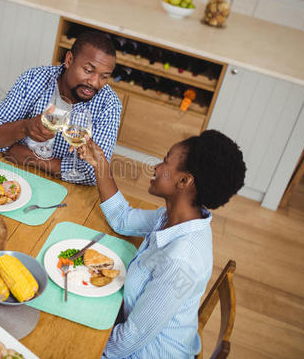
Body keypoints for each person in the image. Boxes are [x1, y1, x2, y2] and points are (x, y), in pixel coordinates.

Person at [77, 130, 246, 358]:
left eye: (166, 161)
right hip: (133, 324)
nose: (156, 167)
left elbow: (129, 339)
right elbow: (122, 219)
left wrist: (78, 340)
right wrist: (100, 164)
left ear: (184, 181)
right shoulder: (174, 218)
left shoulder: (180, 259)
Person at [0, 31, 122, 185]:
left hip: (64, 186)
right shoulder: (34, 79)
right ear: (69, 60)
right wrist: (24, 127)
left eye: (104, 76)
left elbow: (94, 173)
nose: (95, 83)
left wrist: (33, 159)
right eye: (88, 70)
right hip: (12, 173)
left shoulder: (109, 105)